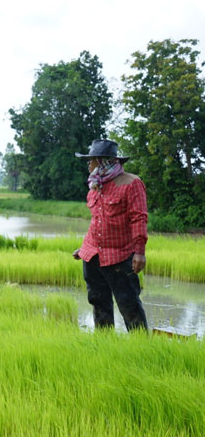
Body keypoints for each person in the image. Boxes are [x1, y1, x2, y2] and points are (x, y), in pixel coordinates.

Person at [72, 139, 148, 331]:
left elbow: (138, 218)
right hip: (93, 256)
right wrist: (85, 248)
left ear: (103, 161)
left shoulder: (131, 183)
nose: (88, 164)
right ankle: (104, 345)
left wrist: (139, 252)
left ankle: (142, 347)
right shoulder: (95, 186)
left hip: (120, 257)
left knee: (128, 303)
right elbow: (96, 221)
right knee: (98, 302)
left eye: (91, 160)